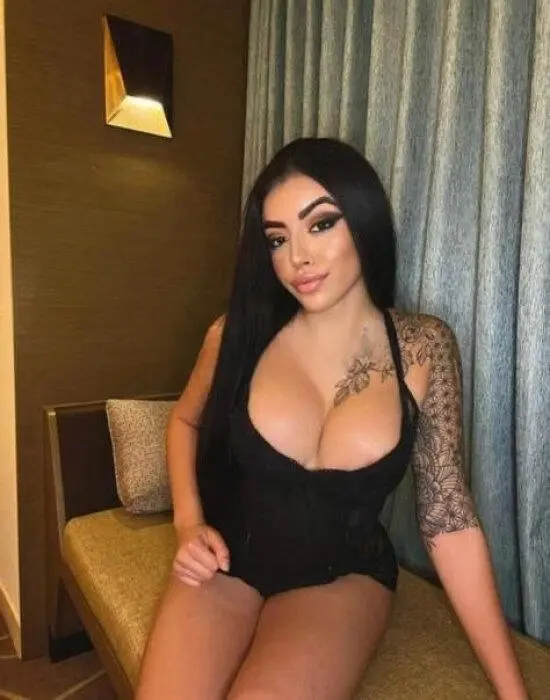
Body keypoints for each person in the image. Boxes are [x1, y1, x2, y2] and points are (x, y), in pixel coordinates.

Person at [135, 138, 528, 699]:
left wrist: (515, 694)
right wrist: (188, 522)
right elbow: (185, 422)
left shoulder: (423, 347)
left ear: (364, 219)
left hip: (340, 577)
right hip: (226, 559)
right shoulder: (236, 334)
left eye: (320, 225)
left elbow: (448, 518)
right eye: (277, 238)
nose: (297, 257)